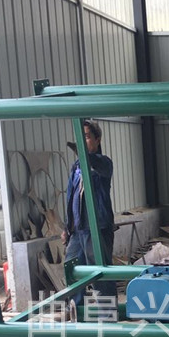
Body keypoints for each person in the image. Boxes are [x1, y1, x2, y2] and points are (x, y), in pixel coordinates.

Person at [62, 120, 116, 311]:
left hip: (97, 228)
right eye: (80, 137)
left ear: (97, 139)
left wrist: (86, 156)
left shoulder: (103, 163)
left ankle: (107, 315)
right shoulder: (76, 167)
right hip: (78, 230)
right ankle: (77, 311)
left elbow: (98, 164)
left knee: (100, 272)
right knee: (72, 268)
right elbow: (71, 197)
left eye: (86, 137)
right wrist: (67, 227)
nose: (83, 141)